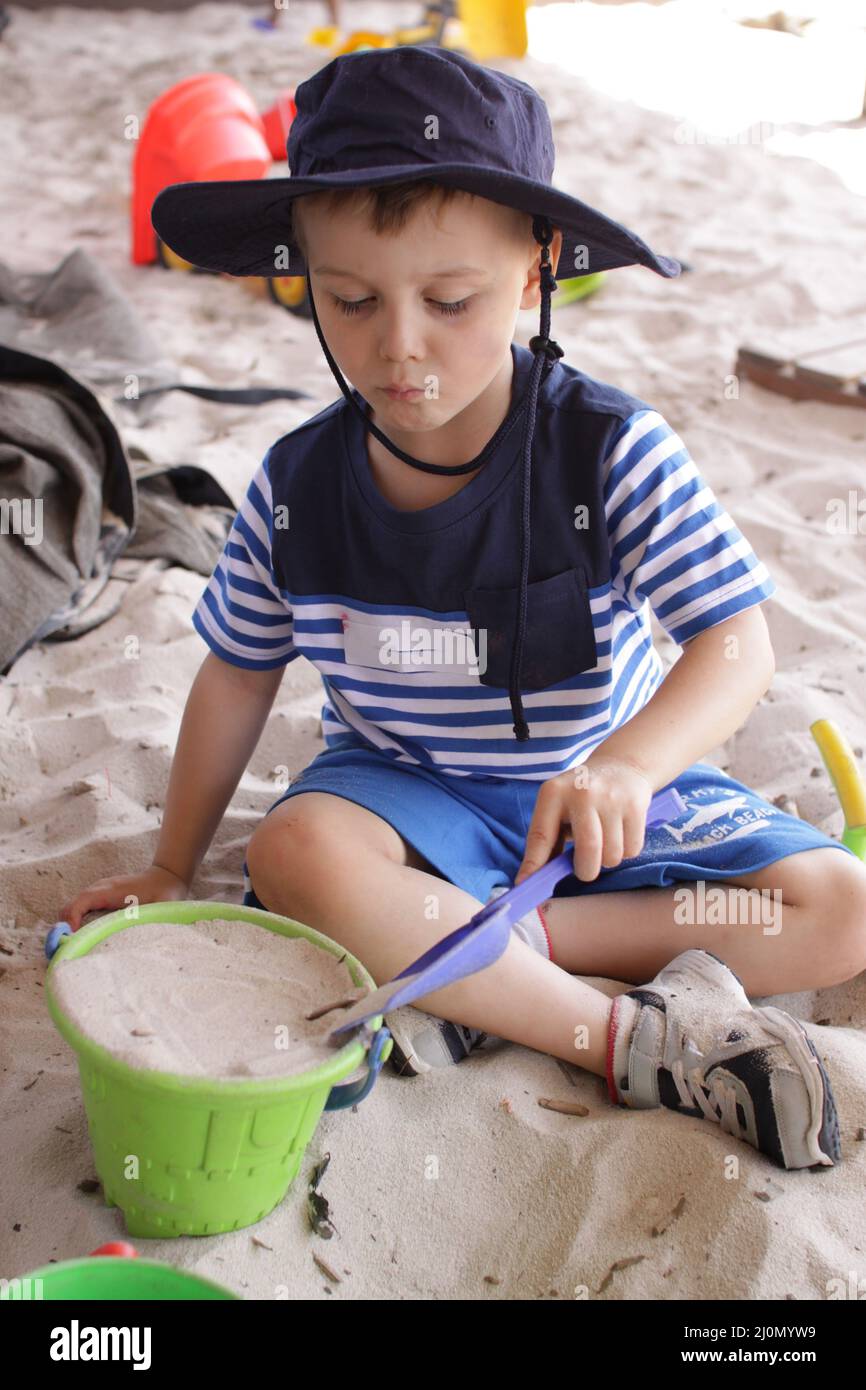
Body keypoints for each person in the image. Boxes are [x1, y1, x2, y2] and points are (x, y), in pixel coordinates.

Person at [63, 48, 866, 1172]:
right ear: (304, 281)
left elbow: (734, 645)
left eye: (449, 300)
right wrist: (168, 865)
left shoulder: (607, 450)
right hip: (407, 805)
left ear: (536, 272)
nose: (398, 346)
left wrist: (629, 765)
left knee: (836, 906)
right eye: (350, 300)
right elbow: (238, 674)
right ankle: (619, 1035)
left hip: (606, 805)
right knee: (299, 850)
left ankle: (492, 965)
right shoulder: (297, 487)